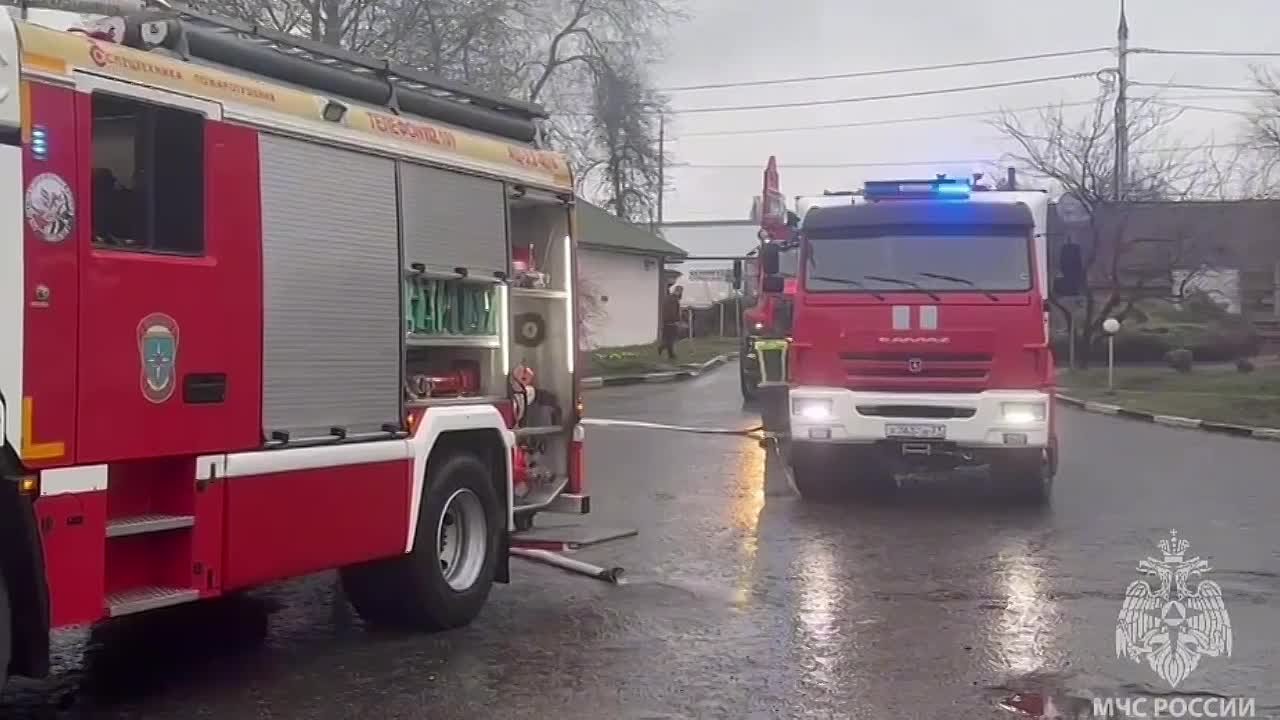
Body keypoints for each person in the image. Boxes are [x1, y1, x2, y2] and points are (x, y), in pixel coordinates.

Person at [660, 285, 683, 360]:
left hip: (666, 320)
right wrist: (676, 320)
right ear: (679, 291)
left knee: (668, 337)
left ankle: (667, 351)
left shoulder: (668, 298)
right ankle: (667, 351)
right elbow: (673, 311)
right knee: (672, 338)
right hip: (671, 321)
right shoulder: (674, 300)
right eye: (680, 292)